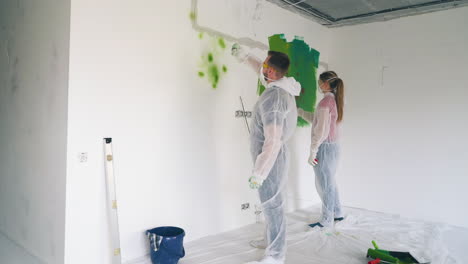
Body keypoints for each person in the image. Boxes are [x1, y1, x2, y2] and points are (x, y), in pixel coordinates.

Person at [232, 44, 301, 264]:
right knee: (272, 203)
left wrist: (260, 172)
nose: (262, 66)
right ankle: (270, 240)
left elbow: (273, 140)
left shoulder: (273, 98)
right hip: (272, 156)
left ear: (271, 71)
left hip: (270, 159)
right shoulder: (281, 86)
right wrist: (246, 57)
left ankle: (275, 255)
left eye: (265, 64)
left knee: (272, 204)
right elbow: (261, 73)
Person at [298, 71, 345, 228]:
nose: (318, 83)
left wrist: (313, 151)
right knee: (330, 182)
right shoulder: (331, 101)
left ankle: (327, 220)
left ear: (325, 84)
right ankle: (337, 212)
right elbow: (317, 120)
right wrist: (299, 111)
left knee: (325, 185)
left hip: (324, 148)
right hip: (331, 147)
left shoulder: (326, 103)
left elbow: (321, 131)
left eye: (320, 81)